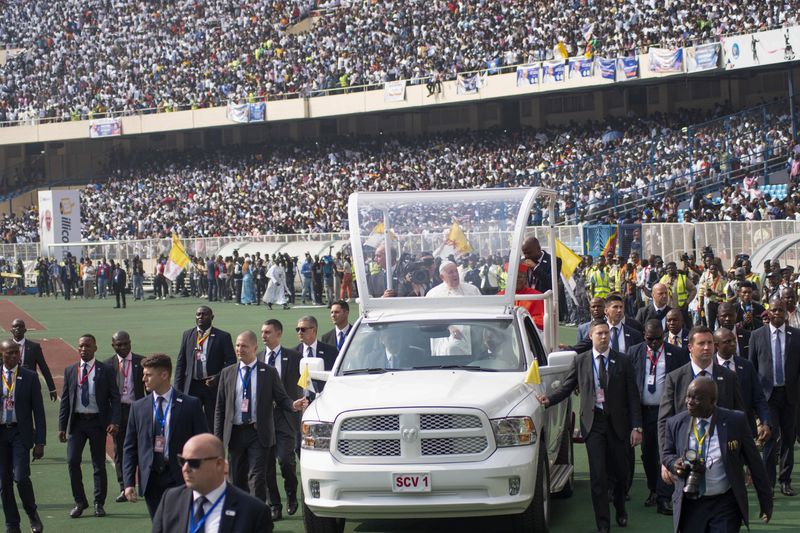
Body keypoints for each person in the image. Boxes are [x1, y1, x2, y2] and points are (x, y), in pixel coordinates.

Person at [537, 321, 641, 533]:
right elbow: (567, 387)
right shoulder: (582, 361)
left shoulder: (623, 361)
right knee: (598, 476)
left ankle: (620, 508)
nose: (604, 337)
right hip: (593, 424)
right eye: (599, 333)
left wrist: (636, 427)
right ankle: (602, 523)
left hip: (618, 425)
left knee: (621, 473)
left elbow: (632, 396)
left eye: (606, 333)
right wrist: (549, 399)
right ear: (591, 337)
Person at [214, 331, 307, 518]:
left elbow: (281, 398)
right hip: (235, 434)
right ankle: (239, 517)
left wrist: (292, 405)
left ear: (255, 348)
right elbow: (220, 409)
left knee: (257, 478)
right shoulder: (227, 373)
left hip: (258, 433)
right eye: (238, 345)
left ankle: (255, 519)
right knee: (237, 480)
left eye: (244, 346)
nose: (240, 349)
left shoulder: (268, 372)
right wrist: (217, 441)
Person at [662, 377, 772, 532]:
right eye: (688, 396)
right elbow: (667, 454)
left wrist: (766, 501)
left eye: (697, 398)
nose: (690, 402)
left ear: (712, 401)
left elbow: (755, 463)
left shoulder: (735, 421)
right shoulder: (675, 423)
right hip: (690, 504)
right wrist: (674, 463)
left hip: (724, 504)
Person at [123, 354, 208, 517]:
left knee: (181, 524)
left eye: (148, 375)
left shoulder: (190, 405)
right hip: (151, 480)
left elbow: (202, 444)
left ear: (164, 375)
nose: (143, 379)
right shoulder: (138, 407)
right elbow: (130, 447)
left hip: (180, 477)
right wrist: (128, 483)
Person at [626, 320, 689, 515]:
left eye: (658, 339)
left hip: (667, 412)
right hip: (643, 412)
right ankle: (654, 488)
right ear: (643, 335)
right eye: (650, 339)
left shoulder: (676, 353)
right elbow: (629, 385)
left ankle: (664, 496)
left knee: (665, 452)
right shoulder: (634, 352)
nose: (654, 343)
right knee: (648, 454)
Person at [152, 433, 273, 533]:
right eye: (182, 461)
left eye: (194, 463)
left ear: (219, 464)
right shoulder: (170, 500)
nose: (185, 468)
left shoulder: (253, 511)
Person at [58, 334, 121, 518]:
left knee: (98, 464)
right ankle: (80, 501)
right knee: (72, 461)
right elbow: (66, 401)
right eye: (81, 346)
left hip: (97, 423)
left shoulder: (106, 370)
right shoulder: (70, 370)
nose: (84, 349)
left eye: (87, 346)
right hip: (77, 423)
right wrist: (62, 426)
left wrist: (114, 421)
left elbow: (114, 398)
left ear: (95, 348)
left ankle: (98, 503)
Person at [657, 326, 744, 453]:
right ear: (690, 347)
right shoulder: (675, 378)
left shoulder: (729, 377)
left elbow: (739, 416)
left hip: (722, 452)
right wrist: (666, 458)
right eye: (701, 343)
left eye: (710, 343)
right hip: (685, 453)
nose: (707, 347)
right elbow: (665, 421)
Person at [748, 296, 800, 495]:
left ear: (786, 312)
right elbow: (751, 369)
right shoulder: (757, 336)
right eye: (774, 310)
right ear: (768, 312)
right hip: (767, 397)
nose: (777, 313)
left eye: (781, 310)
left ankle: (784, 480)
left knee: (788, 439)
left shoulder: (796, 335)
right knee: (770, 438)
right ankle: (768, 483)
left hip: (790, 395)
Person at [259, 319, 303, 520]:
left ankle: (292, 493)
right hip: (263, 419)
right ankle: (274, 504)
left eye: (268, 332)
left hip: (286, 416)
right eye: (262, 332)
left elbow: (306, 383)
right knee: (267, 465)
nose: (263, 336)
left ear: (278, 334)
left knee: (285, 460)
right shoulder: (257, 358)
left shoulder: (294, 357)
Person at [0, 339, 45, 533]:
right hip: (1, 433)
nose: (13, 356)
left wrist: (40, 441)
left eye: (16, 353)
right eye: (9, 353)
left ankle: (32, 513)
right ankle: (12, 524)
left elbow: (39, 412)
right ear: (1, 354)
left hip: (20, 433)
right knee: (4, 482)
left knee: (21, 477)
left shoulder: (29, 376)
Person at [175, 306, 236, 430]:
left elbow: (231, 361)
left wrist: (218, 377)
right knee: (189, 420)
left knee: (213, 421)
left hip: (212, 386)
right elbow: (181, 363)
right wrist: (178, 388)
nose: (201, 317)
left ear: (212, 317)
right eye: (198, 314)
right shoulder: (188, 335)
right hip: (192, 385)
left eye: (205, 314)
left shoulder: (223, 336)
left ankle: (213, 446)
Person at [103, 331, 145, 504]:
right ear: (113, 345)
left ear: (130, 343)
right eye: (118, 344)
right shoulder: (107, 366)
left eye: (125, 343)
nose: (123, 347)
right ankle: (124, 487)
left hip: (138, 410)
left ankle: (144, 484)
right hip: (118, 413)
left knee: (144, 448)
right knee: (120, 451)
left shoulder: (141, 362)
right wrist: (110, 419)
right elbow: (104, 395)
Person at [714, 328, 771, 442]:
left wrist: (765, 423)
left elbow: (759, 397)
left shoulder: (746, 365)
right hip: (718, 430)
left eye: (734, 341)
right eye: (727, 342)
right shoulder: (709, 366)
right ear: (716, 345)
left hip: (745, 428)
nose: (733, 344)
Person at [572, 294, 643, 354]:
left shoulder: (634, 334)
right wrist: (566, 348)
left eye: (621, 307)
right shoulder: (597, 331)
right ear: (606, 310)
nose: (619, 310)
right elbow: (582, 347)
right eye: (615, 307)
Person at [10, 319, 57, 402]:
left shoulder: (34, 347)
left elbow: (44, 368)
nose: (18, 329)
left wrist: (52, 388)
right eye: (15, 326)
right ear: (11, 330)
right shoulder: (4, 346)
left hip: (30, 386)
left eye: (21, 326)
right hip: (10, 385)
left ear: (25, 330)